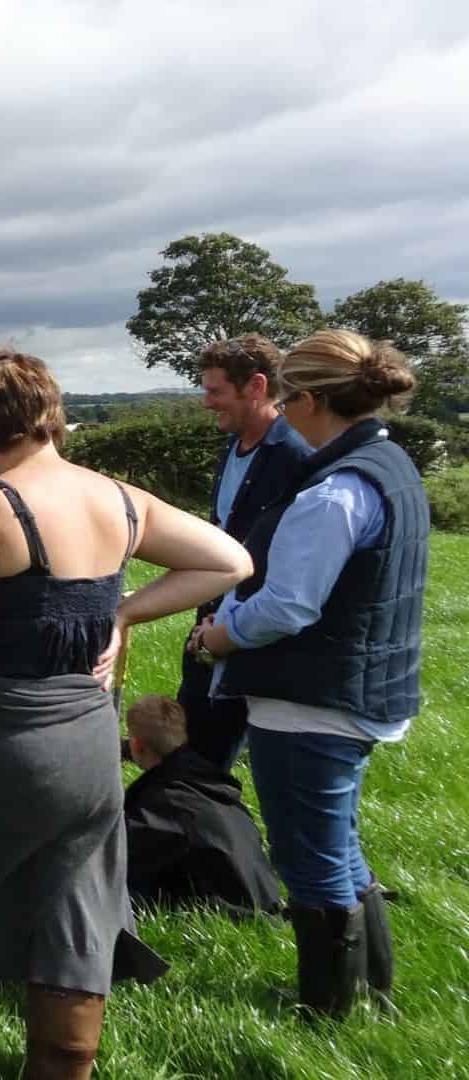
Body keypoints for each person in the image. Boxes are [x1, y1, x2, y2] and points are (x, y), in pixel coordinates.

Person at [0, 346, 252, 1080]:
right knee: (77, 914)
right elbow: (229, 561)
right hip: (89, 745)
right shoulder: (118, 498)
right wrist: (122, 612)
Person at [196, 329, 425, 1020]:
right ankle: (372, 992)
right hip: (361, 691)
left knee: (311, 863)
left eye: (292, 397)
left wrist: (220, 635)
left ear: (312, 399)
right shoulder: (390, 464)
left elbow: (288, 605)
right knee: (340, 849)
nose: (288, 413)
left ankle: (326, 1011)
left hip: (311, 703)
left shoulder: (333, 492)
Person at [174, 335, 313, 770]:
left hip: (252, 633)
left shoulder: (296, 456)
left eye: (215, 391)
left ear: (255, 386)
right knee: (192, 745)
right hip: (211, 621)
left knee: (212, 756)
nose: (206, 403)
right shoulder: (232, 447)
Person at [122, 695, 281, 916]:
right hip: (263, 898)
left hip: (230, 912)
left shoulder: (165, 803)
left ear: (137, 745)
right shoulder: (208, 783)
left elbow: (117, 854)